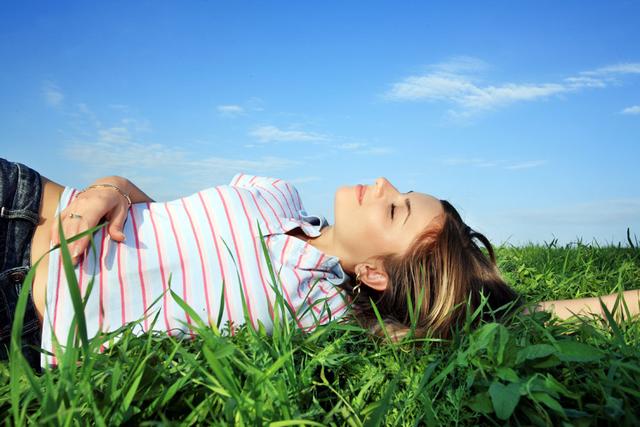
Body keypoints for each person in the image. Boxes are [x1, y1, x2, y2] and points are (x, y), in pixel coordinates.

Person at [1, 158, 638, 372]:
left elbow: (510, 318)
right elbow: (161, 213)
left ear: (378, 276)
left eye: (394, 211)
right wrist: (113, 185)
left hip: (22, 311)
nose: (383, 182)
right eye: (402, 192)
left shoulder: (318, 309)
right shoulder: (278, 192)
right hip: (28, 200)